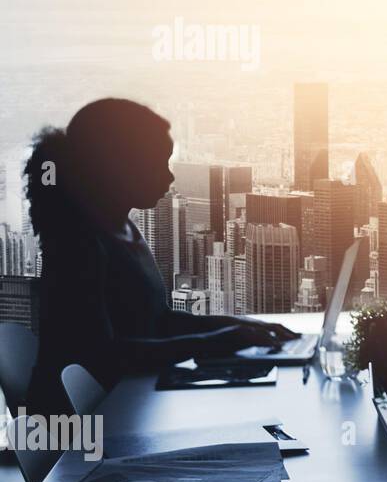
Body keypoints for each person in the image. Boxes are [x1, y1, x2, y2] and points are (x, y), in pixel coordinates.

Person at [23, 98, 299, 417]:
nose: (169, 178)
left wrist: (238, 326)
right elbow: (101, 357)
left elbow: (158, 321)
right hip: (81, 431)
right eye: (158, 163)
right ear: (119, 167)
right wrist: (213, 341)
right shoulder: (78, 245)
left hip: (124, 404)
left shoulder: (121, 226)